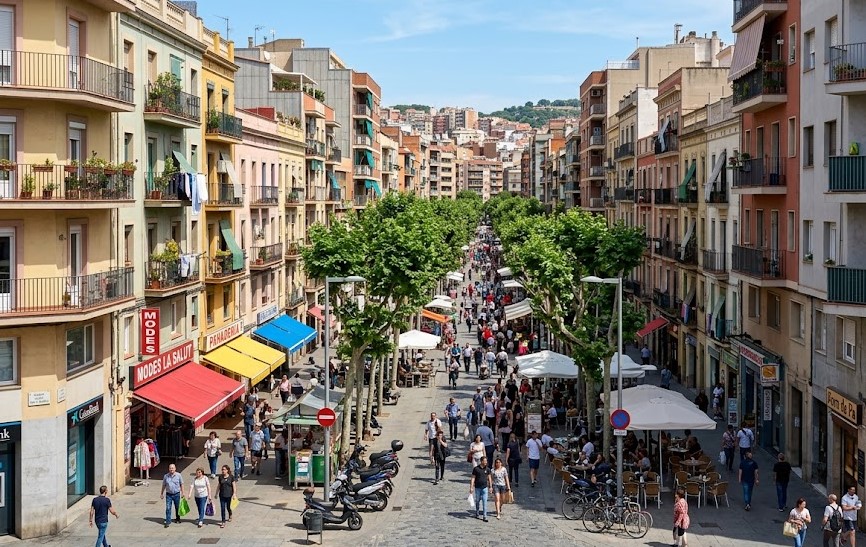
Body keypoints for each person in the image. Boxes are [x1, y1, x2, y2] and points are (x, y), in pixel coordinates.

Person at [159, 463, 185, 528]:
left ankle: (178, 518)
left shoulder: (178, 475)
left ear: (175, 469)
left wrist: (183, 493)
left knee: (177, 507)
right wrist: (161, 493)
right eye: (170, 468)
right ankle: (168, 521)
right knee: (168, 508)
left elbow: (182, 484)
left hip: (176, 494)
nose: (171, 469)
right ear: (168, 469)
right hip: (169, 495)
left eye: (172, 468)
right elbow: (164, 485)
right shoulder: (166, 476)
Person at [470, 456, 492, 522]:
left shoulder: (488, 469)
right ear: (481, 461)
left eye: (486, 461)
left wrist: (490, 487)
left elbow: (489, 478)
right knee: (477, 500)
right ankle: (477, 512)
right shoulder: (476, 469)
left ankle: (485, 516)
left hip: (485, 488)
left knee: (485, 502)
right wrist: (471, 487)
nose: (486, 462)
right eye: (485, 461)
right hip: (477, 488)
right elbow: (473, 478)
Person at [215, 464, 236, 529]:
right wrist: (216, 493)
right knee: (222, 508)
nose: (223, 471)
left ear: (227, 470)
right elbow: (219, 485)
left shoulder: (231, 477)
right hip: (222, 495)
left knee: (228, 507)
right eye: (222, 469)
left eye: (224, 469)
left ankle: (230, 514)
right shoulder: (220, 477)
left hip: (229, 495)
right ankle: (223, 521)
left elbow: (234, 486)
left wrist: (234, 494)